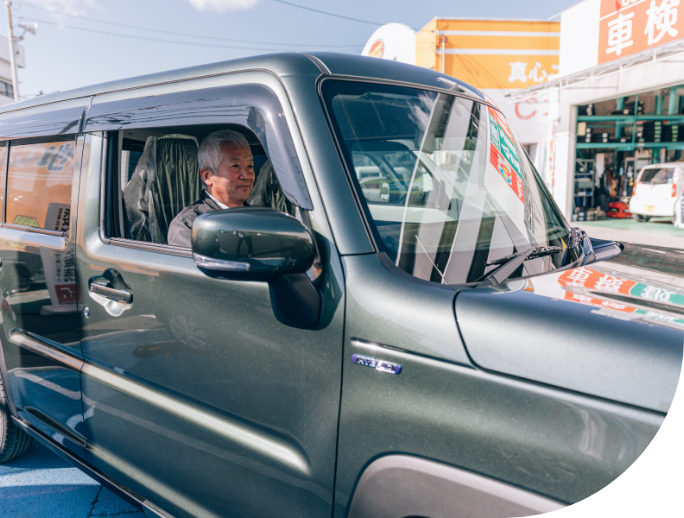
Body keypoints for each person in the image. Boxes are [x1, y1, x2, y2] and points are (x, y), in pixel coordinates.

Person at [168, 129, 255, 248]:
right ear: (207, 176)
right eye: (235, 166)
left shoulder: (258, 218)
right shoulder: (189, 225)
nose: (247, 176)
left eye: (250, 166)